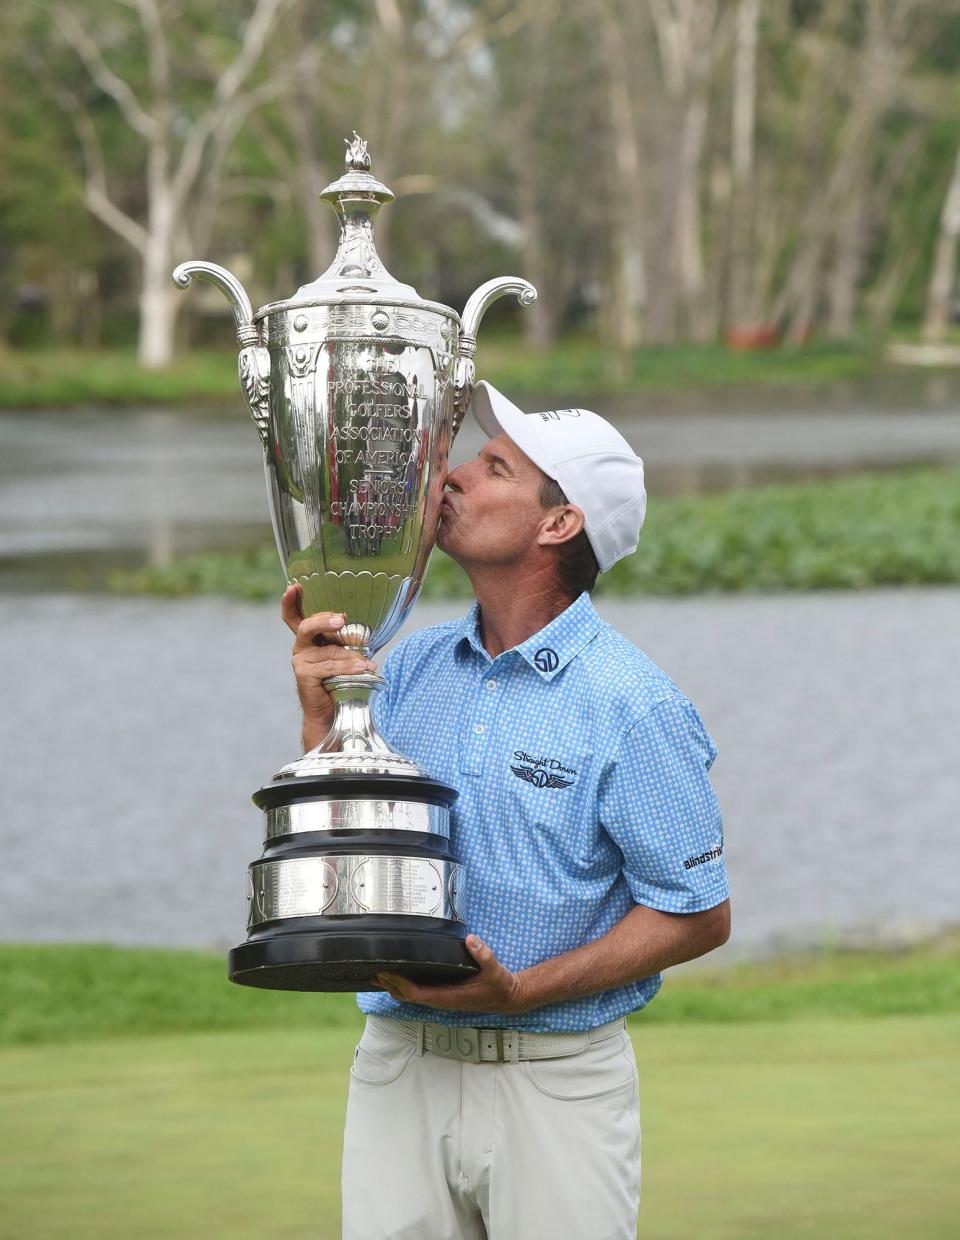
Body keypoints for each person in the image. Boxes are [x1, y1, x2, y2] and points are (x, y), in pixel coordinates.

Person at [281, 381, 731, 1240]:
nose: (451, 477)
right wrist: (319, 715)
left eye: (494, 469)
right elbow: (344, 853)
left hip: (556, 1083)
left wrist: (521, 991)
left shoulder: (633, 704)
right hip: (398, 1067)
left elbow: (698, 913)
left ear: (557, 525)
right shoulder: (405, 667)